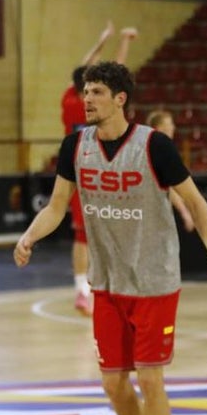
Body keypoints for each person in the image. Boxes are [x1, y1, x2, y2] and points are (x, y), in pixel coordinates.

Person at [16, 62, 207, 415]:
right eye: (84, 92)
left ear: (120, 99)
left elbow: (196, 202)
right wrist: (30, 236)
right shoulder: (75, 146)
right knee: (114, 384)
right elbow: (58, 206)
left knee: (150, 378)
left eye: (95, 91)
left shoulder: (154, 146)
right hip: (108, 282)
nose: (86, 99)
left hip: (154, 281)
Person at [63, 21, 138, 316]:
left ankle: (83, 289)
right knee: (104, 230)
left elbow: (86, 67)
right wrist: (121, 42)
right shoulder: (95, 100)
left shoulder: (69, 100)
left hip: (81, 169)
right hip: (97, 169)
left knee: (83, 235)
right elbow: (112, 72)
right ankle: (96, 288)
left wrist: (101, 41)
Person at [145, 109, 196, 232]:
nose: (173, 127)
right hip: (153, 212)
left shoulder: (148, 146)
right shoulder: (158, 150)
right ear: (159, 127)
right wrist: (184, 212)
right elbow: (168, 188)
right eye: (170, 124)